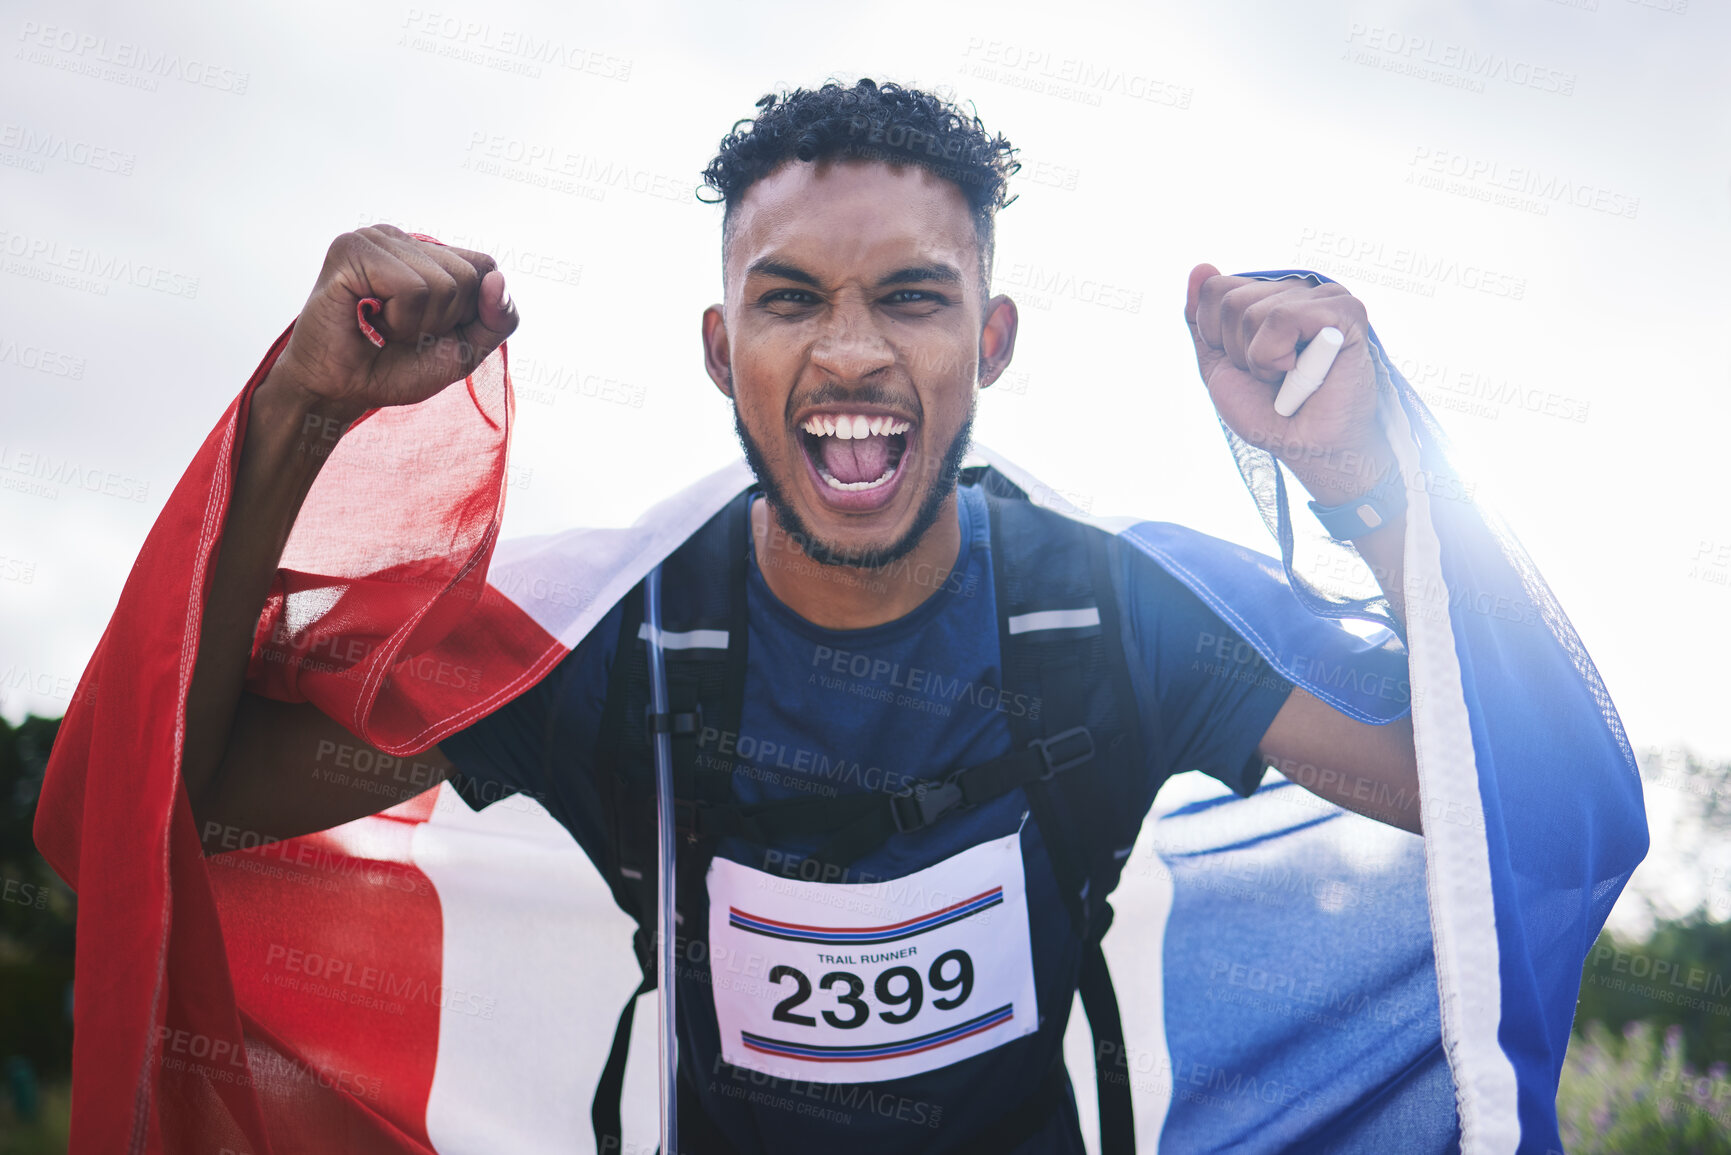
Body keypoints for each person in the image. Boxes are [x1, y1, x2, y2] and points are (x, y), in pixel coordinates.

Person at [177, 79, 1428, 1152]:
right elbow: (172, 807)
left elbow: (1471, 790)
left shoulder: (1107, 610)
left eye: (913, 299)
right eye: (789, 302)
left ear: (991, 342)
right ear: (723, 353)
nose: (849, 354)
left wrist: (1364, 478)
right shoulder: (605, 635)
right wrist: (300, 405)